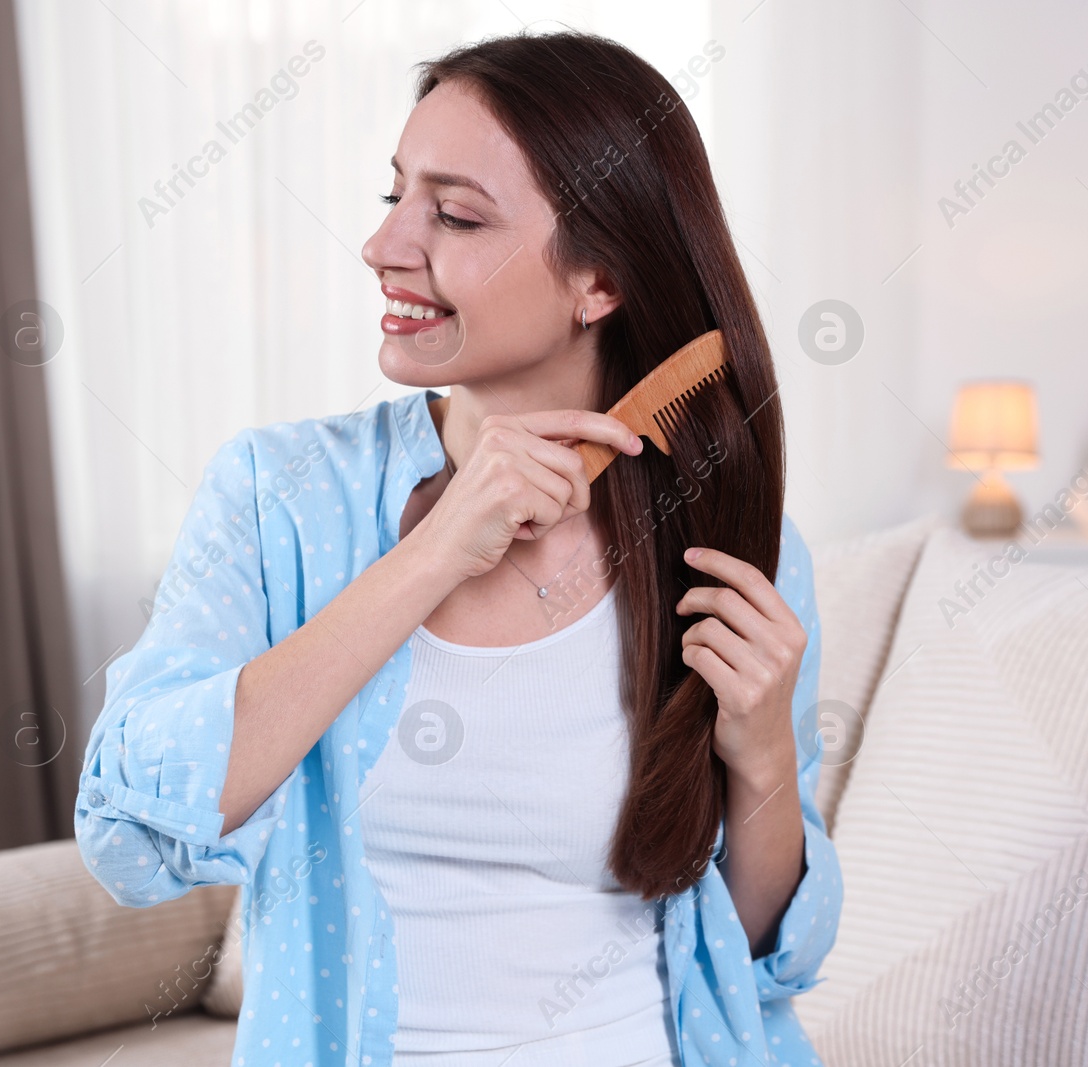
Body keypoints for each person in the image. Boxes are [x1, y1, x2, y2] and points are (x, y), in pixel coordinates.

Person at [75, 28, 841, 1067]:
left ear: (601, 279)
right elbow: (132, 833)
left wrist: (762, 756)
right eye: (393, 196)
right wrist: (431, 555)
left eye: (455, 214)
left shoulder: (724, 539)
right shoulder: (279, 497)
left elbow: (754, 955)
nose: (385, 244)